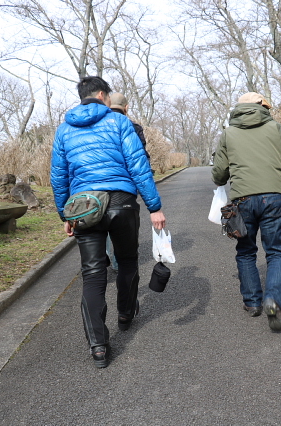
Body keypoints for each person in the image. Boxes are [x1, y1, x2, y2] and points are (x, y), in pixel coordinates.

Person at [51, 76, 166, 368]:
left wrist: (66, 215)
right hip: (121, 202)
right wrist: (154, 206)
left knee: (92, 274)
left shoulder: (64, 130)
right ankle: (126, 314)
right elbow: (138, 165)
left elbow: (59, 176)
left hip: (83, 206)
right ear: (102, 95)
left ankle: (99, 347)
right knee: (127, 261)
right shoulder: (119, 123)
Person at [211, 92, 281, 331]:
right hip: (274, 196)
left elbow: (218, 175)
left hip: (242, 198)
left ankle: (253, 302)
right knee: (276, 251)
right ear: (262, 107)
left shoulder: (228, 133)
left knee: (245, 251)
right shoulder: (275, 127)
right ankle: (273, 299)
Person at [105, 93, 151, 272]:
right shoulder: (132, 127)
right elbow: (140, 160)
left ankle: (105, 257)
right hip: (124, 187)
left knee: (101, 221)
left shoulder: (95, 125)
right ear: (126, 107)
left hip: (94, 188)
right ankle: (118, 262)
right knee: (121, 225)